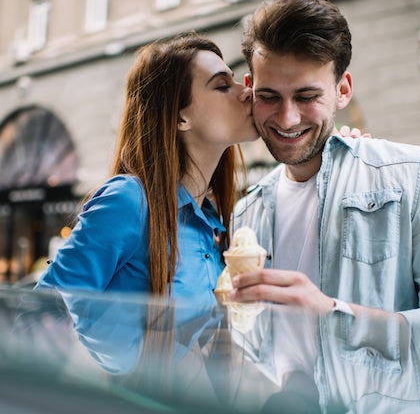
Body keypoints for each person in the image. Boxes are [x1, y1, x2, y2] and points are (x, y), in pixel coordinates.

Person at [230, 0, 420, 414]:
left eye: (307, 96)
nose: (286, 119)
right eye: (270, 96)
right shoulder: (246, 213)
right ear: (249, 90)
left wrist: (334, 314)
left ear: (343, 90)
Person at [35, 32, 257, 306]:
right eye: (223, 86)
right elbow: (36, 314)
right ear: (179, 116)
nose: (247, 91)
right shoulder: (129, 201)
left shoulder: (209, 222)